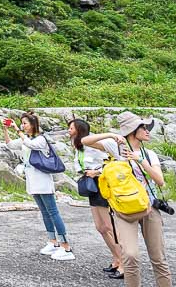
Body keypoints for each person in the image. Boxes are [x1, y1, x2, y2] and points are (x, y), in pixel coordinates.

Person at [82, 111, 173, 287]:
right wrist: (111, 134)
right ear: (133, 130)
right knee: (130, 256)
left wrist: (140, 161)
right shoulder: (115, 147)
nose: (148, 131)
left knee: (158, 258)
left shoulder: (149, 154)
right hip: (123, 208)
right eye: (144, 127)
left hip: (149, 206)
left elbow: (160, 181)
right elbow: (85, 141)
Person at [2, 112, 74, 261]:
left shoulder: (41, 139)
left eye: (25, 123)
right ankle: (52, 242)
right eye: (21, 123)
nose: (23, 126)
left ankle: (65, 246)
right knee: (44, 212)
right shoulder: (26, 138)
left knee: (53, 211)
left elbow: (31, 145)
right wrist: (5, 130)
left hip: (42, 178)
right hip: (32, 178)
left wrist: (17, 130)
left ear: (33, 124)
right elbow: (10, 145)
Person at [68, 118, 123, 279]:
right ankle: (116, 258)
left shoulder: (94, 143)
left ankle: (123, 262)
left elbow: (113, 161)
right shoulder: (77, 145)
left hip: (101, 184)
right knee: (100, 227)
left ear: (79, 129)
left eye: (71, 128)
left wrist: (97, 172)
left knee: (109, 226)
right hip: (90, 184)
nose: (68, 131)